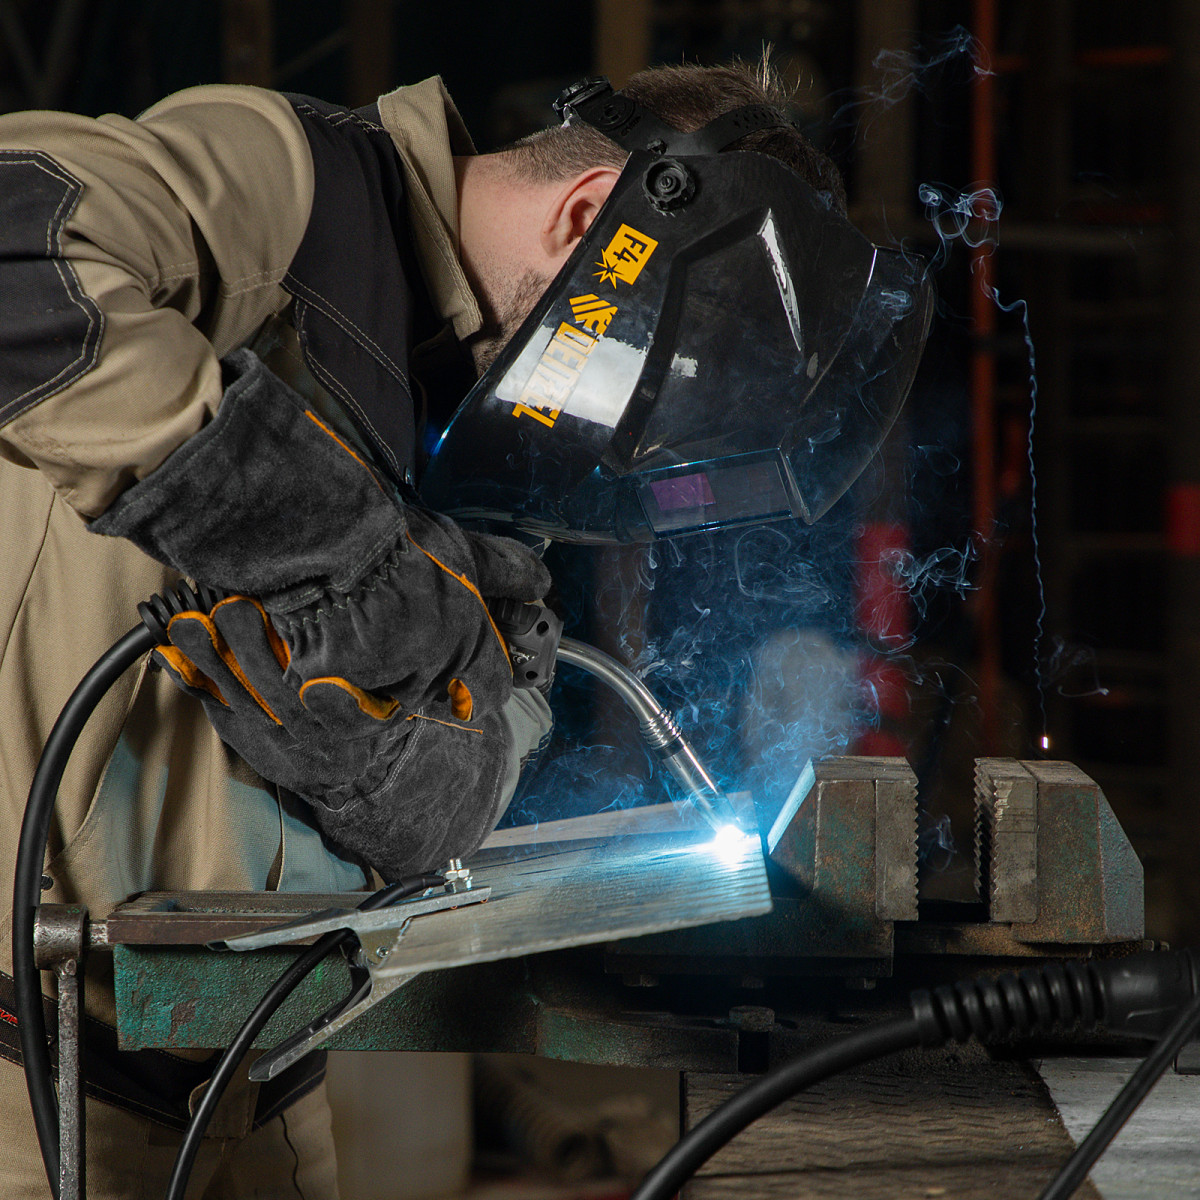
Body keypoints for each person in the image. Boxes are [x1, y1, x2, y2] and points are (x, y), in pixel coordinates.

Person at [0, 58, 846, 1197]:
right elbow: (19, 244)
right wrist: (314, 536)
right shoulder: (295, 199)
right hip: (33, 1079)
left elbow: (508, 696)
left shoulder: (505, 417)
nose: (610, 430)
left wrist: (409, 780)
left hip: (273, 1088)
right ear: (592, 221)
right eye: (642, 374)